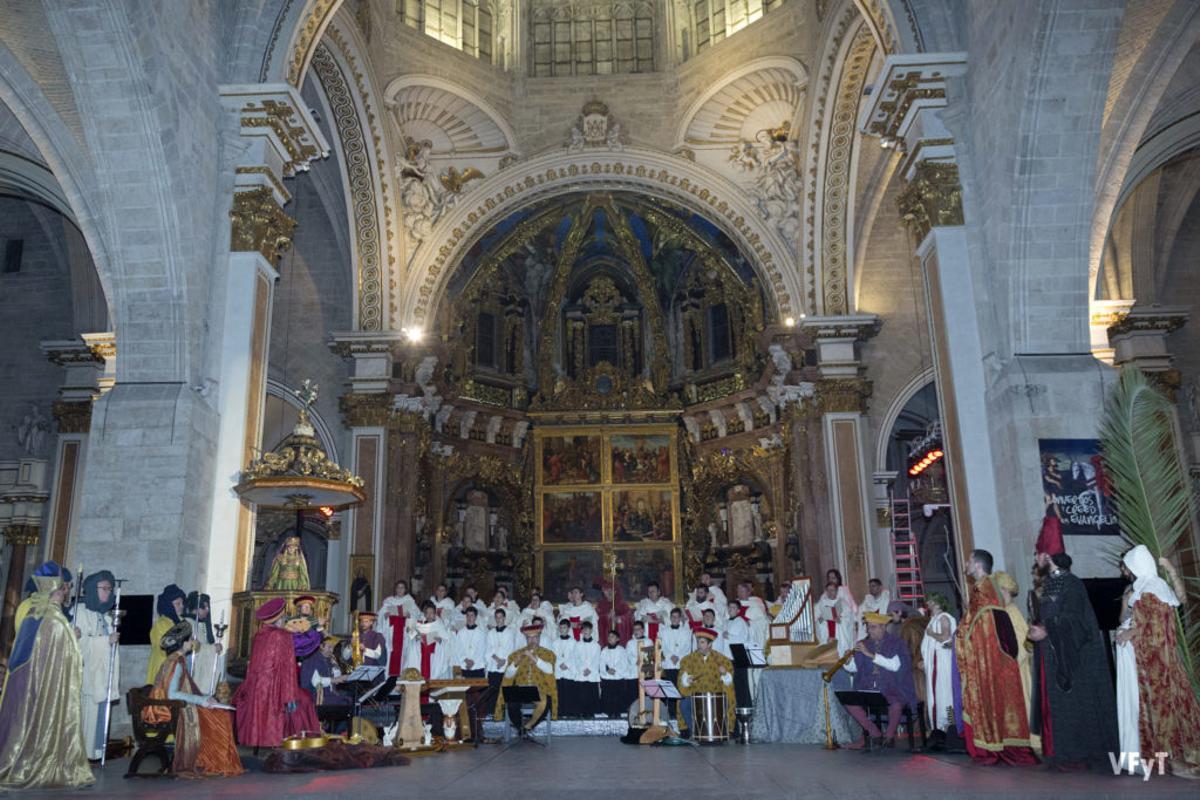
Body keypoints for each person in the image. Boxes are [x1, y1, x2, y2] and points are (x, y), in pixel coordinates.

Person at [1028, 522, 1118, 770]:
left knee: (1077, 705)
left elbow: (1075, 619)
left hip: (1075, 658)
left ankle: (1079, 754)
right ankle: (1062, 753)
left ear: (1048, 556)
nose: (1036, 558)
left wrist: (1047, 630)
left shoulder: (1072, 583)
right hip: (1054, 654)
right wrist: (1040, 628)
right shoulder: (1051, 584)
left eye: (1038, 553)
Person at [0, 563, 94, 789]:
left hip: (24, 686)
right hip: (46, 689)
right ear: (58, 590)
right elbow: (65, 662)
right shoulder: (54, 621)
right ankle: (48, 764)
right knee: (40, 724)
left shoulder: (35, 614)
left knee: (22, 726)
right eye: (64, 588)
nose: (66, 592)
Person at [1116, 545, 1200, 778]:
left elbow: (1149, 627)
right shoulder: (1155, 587)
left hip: (1153, 662)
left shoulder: (1148, 591)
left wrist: (1128, 634)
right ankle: (1178, 757)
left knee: (1161, 707)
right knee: (1175, 701)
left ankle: (1174, 761)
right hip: (1164, 657)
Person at [955, 549, 1037, 765]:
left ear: (977, 564)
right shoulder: (986, 587)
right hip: (989, 656)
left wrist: (962, 635)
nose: (965, 563)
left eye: (968, 560)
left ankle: (992, 745)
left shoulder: (984, 588)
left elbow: (980, 627)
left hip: (987, 659)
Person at [145, 621, 243, 777]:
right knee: (219, 718)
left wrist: (204, 698)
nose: (192, 642)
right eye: (189, 640)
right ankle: (211, 763)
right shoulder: (175, 662)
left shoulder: (175, 659)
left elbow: (184, 689)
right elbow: (172, 694)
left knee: (219, 713)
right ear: (183, 643)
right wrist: (201, 701)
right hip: (173, 709)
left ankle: (214, 761)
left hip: (177, 705)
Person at [232, 597, 320, 747]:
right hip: (275, 688)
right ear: (279, 619)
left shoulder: (260, 636)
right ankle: (302, 743)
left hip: (257, 688)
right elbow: (303, 644)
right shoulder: (281, 636)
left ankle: (258, 740)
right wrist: (317, 630)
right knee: (305, 700)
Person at [842, 612, 919, 750]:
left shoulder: (897, 643)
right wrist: (847, 662)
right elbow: (854, 668)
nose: (869, 631)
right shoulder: (865, 644)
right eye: (868, 627)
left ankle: (889, 737)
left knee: (896, 705)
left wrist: (870, 654)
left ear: (883, 627)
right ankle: (875, 733)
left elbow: (895, 666)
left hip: (891, 687)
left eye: (873, 627)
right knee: (849, 702)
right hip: (869, 688)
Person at [993, 571, 1039, 753]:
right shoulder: (1003, 611)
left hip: (1016, 669)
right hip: (1008, 669)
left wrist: (1009, 664)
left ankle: (1031, 741)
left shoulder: (1012, 612)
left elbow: (1020, 643)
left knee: (1025, 703)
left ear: (1003, 590)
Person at [77, 570, 120, 761]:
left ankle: (95, 753)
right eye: (104, 588)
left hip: (102, 675)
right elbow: (80, 645)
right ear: (92, 589)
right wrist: (105, 641)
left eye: (110, 589)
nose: (108, 592)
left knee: (99, 716)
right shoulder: (80, 612)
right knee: (87, 716)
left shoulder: (107, 617)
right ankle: (82, 755)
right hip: (88, 675)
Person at [495, 622, 557, 735]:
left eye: (535, 638)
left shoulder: (548, 654)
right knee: (511, 702)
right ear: (526, 639)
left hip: (539, 690)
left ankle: (528, 726)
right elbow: (508, 675)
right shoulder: (516, 654)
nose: (532, 641)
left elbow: (549, 670)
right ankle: (520, 728)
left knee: (545, 702)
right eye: (529, 638)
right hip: (521, 689)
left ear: (539, 638)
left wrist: (533, 657)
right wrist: (516, 662)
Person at [677, 627, 735, 735]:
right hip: (695, 695)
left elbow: (728, 682)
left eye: (702, 642)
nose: (699, 645)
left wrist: (724, 673)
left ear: (709, 644)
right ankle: (695, 732)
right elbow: (683, 678)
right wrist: (687, 680)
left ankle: (718, 732)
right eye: (698, 642)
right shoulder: (688, 659)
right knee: (684, 704)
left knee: (725, 700)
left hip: (714, 696)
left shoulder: (721, 659)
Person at [919, 592, 956, 733]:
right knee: (938, 696)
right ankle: (939, 729)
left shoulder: (943, 617)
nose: (927, 603)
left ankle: (950, 728)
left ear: (937, 603)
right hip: (935, 663)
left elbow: (946, 638)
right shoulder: (934, 619)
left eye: (930, 600)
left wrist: (931, 634)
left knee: (945, 696)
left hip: (942, 664)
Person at [376, 580, 420, 677]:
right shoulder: (389, 601)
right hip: (391, 633)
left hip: (404, 632)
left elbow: (417, 615)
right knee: (390, 653)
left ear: (405, 590)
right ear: (395, 589)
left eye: (402, 587)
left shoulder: (410, 601)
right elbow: (381, 615)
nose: (400, 590)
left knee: (404, 655)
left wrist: (410, 615)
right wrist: (385, 616)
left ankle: (401, 680)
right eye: (398, 587)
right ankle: (388, 680)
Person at [183, 592, 223, 696]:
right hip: (190, 664)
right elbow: (192, 646)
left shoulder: (201, 623)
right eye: (203, 607)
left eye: (207, 607)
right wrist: (212, 648)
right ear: (195, 607)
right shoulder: (187, 622)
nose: (207, 610)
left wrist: (213, 648)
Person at [147, 583, 187, 685]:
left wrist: (193, 644)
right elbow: (163, 649)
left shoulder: (182, 622)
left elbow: (191, 642)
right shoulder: (161, 624)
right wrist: (184, 647)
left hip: (177, 667)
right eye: (178, 604)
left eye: (182, 603)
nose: (182, 606)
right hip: (163, 668)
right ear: (169, 605)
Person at [300, 635, 351, 706]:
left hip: (330, 693)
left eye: (333, 647)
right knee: (345, 702)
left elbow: (337, 681)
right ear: (321, 646)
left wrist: (336, 666)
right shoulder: (311, 660)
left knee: (352, 698)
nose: (332, 650)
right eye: (329, 647)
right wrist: (335, 679)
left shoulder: (329, 659)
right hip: (317, 696)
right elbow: (316, 682)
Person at [600, 628, 635, 717]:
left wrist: (615, 670)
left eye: (612, 636)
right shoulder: (604, 650)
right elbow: (601, 663)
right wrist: (607, 670)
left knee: (619, 697)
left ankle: (619, 713)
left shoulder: (622, 650)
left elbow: (624, 663)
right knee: (607, 697)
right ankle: (607, 712)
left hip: (618, 678)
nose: (610, 638)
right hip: (607, 678)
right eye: (609, 636)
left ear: (618, 639)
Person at [816, 581, 856, 656]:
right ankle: (826, 647)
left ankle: (842, 652)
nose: (830, 592)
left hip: (839, 625)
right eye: (828, 590)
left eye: (832, 590)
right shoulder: (822, 603)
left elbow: (849, 617)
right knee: (821, 625)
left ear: (837, 591)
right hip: (826, 624)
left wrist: (840, 619)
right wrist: (821, 619)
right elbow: (817, 617)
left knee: (841, 625)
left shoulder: (842, 602)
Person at [485, 609, 519, 693]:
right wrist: (497, 660)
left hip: (505, 667)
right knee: (492, 694)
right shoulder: (491, 633)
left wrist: (503, 661)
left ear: (504, 618)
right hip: (493, 667)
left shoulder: (510, 633)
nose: (498, 619)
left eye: (500, 617)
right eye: (496, 617)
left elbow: (511, 649)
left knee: (504, 694)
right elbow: (488, 649)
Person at [574, 621, 601, 717]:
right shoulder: (577, 644)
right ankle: (581, 712)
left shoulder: (596, 645)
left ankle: (591, 712)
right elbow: (576, 658)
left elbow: (597, 659)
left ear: (591, 631)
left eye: (587, 629)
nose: (585, 630)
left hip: (592, 673)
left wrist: (590, 669)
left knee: (591, 694)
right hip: (581, 673)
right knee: (581, 695)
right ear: (581, 631)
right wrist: (582, 669)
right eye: (583, 629)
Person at [551, 619, 577, 716]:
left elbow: (574, 656)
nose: (562, 630)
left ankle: (570, 712)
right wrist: (560, 663)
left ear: (568, 629)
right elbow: (554, 655)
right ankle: (560, 712)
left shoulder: (573, 642)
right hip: (559, 671)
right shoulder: (555, 642)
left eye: (564, 627)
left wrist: (567, 664)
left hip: (569, 671)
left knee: (569, 693)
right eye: (561, 628)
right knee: (559, 693)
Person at [454, 607, 487, 678]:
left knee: (478, 689)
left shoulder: (481, 633)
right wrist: (466, 660)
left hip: (478, 666)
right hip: (464, 666)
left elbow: (481, 650)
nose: (469, 618)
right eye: (468, 615)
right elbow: (458, 648)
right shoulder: (461, 632)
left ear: (475, 617)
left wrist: (472, 662)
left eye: (472, 615)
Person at [735, 581, 769, 647]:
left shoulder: (755, 606)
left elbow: (763, 622)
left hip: (750, 636)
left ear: (748, 593)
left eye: (742, 591)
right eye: (738, 591)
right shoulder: (733, 605)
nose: (739, 593)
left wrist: (750, 623)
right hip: (736, 636)